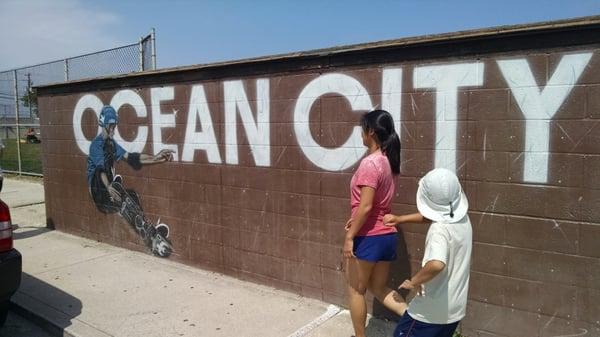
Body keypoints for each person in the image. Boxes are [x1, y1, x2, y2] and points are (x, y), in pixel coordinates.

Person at [383, 168, 472, 337]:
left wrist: (414, 282)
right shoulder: (463, 218)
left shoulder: (439, 230)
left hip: (428, 314)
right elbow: (437, 215)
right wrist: (401, 219)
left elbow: (437, 264)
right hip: (453, 310)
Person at [344, 109, 406, 337]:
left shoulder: (370, 164)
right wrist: (355, 218)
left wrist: (350, 237)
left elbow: (367, 206)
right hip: (386, 235)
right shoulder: (390, 162)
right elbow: (373, 205)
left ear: (370, 131)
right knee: (379, 288)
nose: (361, 134)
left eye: (362, 130)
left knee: (356, 290)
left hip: (369, 236)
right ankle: (416, 323)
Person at [87, 105, 175, 256]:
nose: (113, 130)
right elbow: (100, 169)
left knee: (132, 195)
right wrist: (108, 186)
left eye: (115, 126)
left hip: (109, 192)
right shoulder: (96, 144)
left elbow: (132, 157)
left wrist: (156, 158)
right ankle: (114, 187)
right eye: (111, 127)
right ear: (104, 125)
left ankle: (148, 234)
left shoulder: (112, 145)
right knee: (101, 173)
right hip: (97, 191)